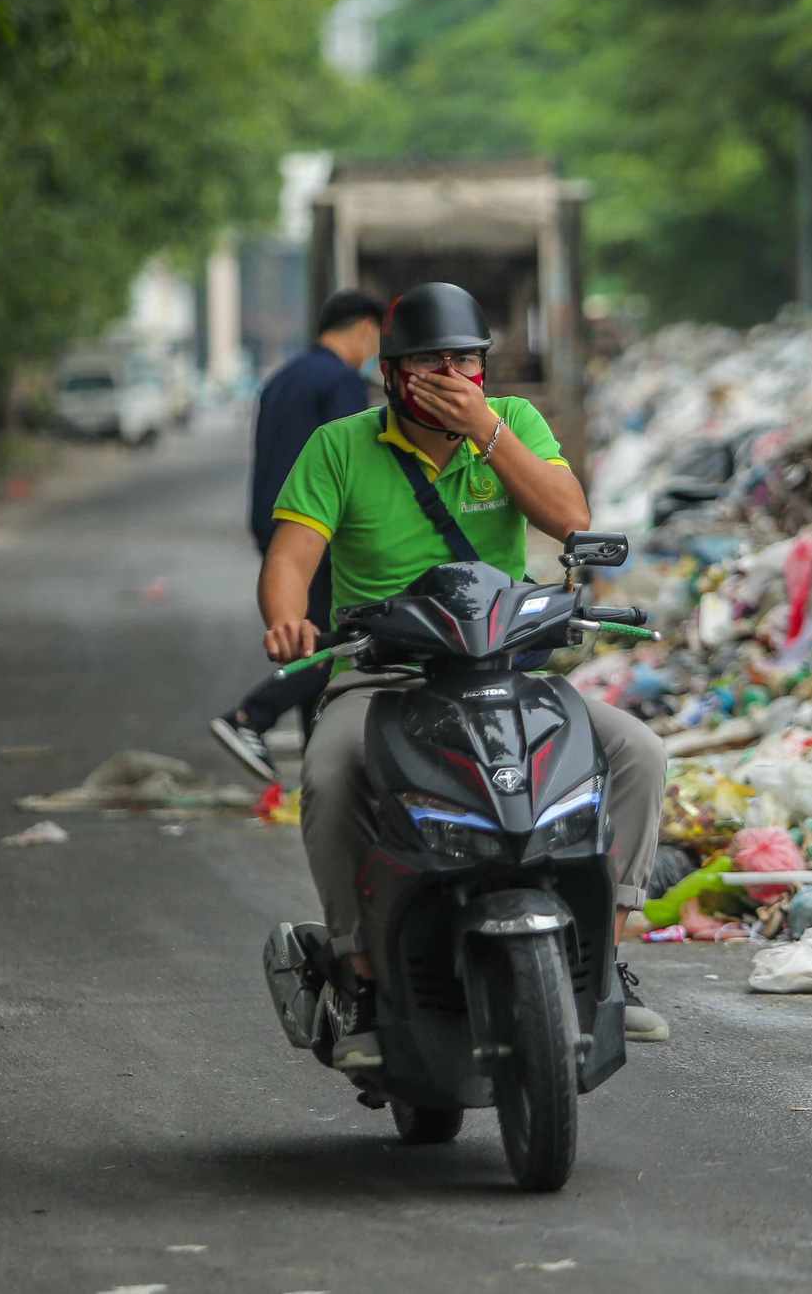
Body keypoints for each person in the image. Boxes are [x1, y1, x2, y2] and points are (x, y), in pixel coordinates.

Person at [258, 282, 670, 1068]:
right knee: (333, 771)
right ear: (390, 373)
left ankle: (603, 963)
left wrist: (486, 432)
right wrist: (287, 617)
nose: (450, 374)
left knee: (635, 753)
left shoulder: (513, 425)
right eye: (429, 363)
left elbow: (570, 517)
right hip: (383, 675)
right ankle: (362, 977)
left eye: (465, 362)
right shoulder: (340, 447)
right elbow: (290, 559)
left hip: (502, 670)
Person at [210, 290, 384, 783]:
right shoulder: (341, 382)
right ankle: (250, 716)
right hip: (317, 531)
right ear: (365, 331)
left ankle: (318, 767)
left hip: (276, 526)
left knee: (311, 640)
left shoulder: (282, 377)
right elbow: (353, 465)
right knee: (333, 647)